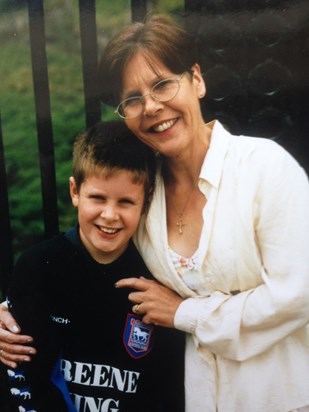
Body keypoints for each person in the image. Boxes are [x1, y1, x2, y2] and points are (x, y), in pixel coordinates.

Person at [1, 13, 309, 412]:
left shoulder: (264, 168)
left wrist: (185, 313)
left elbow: (298, 294)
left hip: (278, 398)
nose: (151, 106)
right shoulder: (143, 192)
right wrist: (14, 313)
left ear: (196, 79)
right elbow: (90, 259)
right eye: (132, 99)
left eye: (163, 84)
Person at [1, 121, 185, 411]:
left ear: (146, 202)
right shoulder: (38, 267)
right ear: (75, 192)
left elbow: (167, 389)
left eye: (125, 202)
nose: (109, 215)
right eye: (97, 198)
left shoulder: (157, 280)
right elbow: (24, 375)